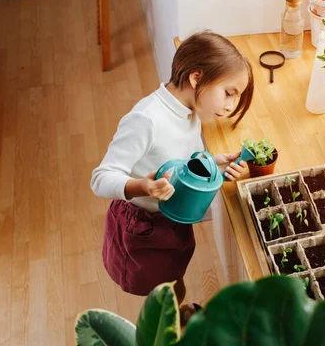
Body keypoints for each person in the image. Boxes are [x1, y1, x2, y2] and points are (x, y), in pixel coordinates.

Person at [91, 31, 254, 322]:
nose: (230, 106)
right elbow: (101, 178)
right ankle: (167, 329)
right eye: (229, 93)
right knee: (160, 291)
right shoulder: (147, 120)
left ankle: (177, 313)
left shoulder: (190, 109)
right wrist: (143, 185)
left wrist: (213, 164)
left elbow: (182, 160)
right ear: (196, 77)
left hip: (171, 218)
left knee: (173, 277)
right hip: (145, 227)